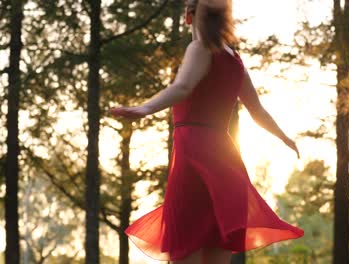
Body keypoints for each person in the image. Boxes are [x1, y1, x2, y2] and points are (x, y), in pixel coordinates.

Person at [109, 0, 304, 263]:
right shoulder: (236, 62)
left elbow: (182, 87)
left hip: (193, 161)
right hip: (226, 165)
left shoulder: (200, 47)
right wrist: (283, 137)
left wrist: (144, 108)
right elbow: (258, 112)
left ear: (189, 17)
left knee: (182, 249)